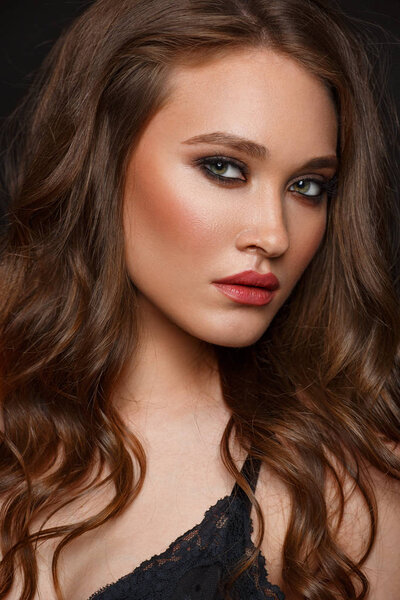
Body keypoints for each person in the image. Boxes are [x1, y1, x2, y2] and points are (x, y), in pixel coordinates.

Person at [0, 0, 399, 599]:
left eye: (307, 186)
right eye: (224, 167)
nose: (274, 234)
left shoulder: (342, 488)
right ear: (102, 162)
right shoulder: (17, 421)